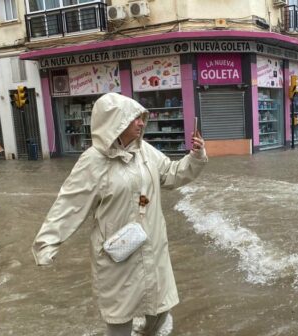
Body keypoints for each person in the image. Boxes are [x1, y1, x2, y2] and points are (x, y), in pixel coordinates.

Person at [31, 93, 207, 336]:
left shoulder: (145, 151)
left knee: (159, 309)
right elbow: (70, 203)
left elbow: (171, 174)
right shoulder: (93, 161)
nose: (141, 123)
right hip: (118, 255)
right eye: (134, 118)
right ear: (115, 121)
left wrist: (195, 157)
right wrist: (47, 242)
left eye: (141, 118)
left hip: (152, 246)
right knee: (120, 318)